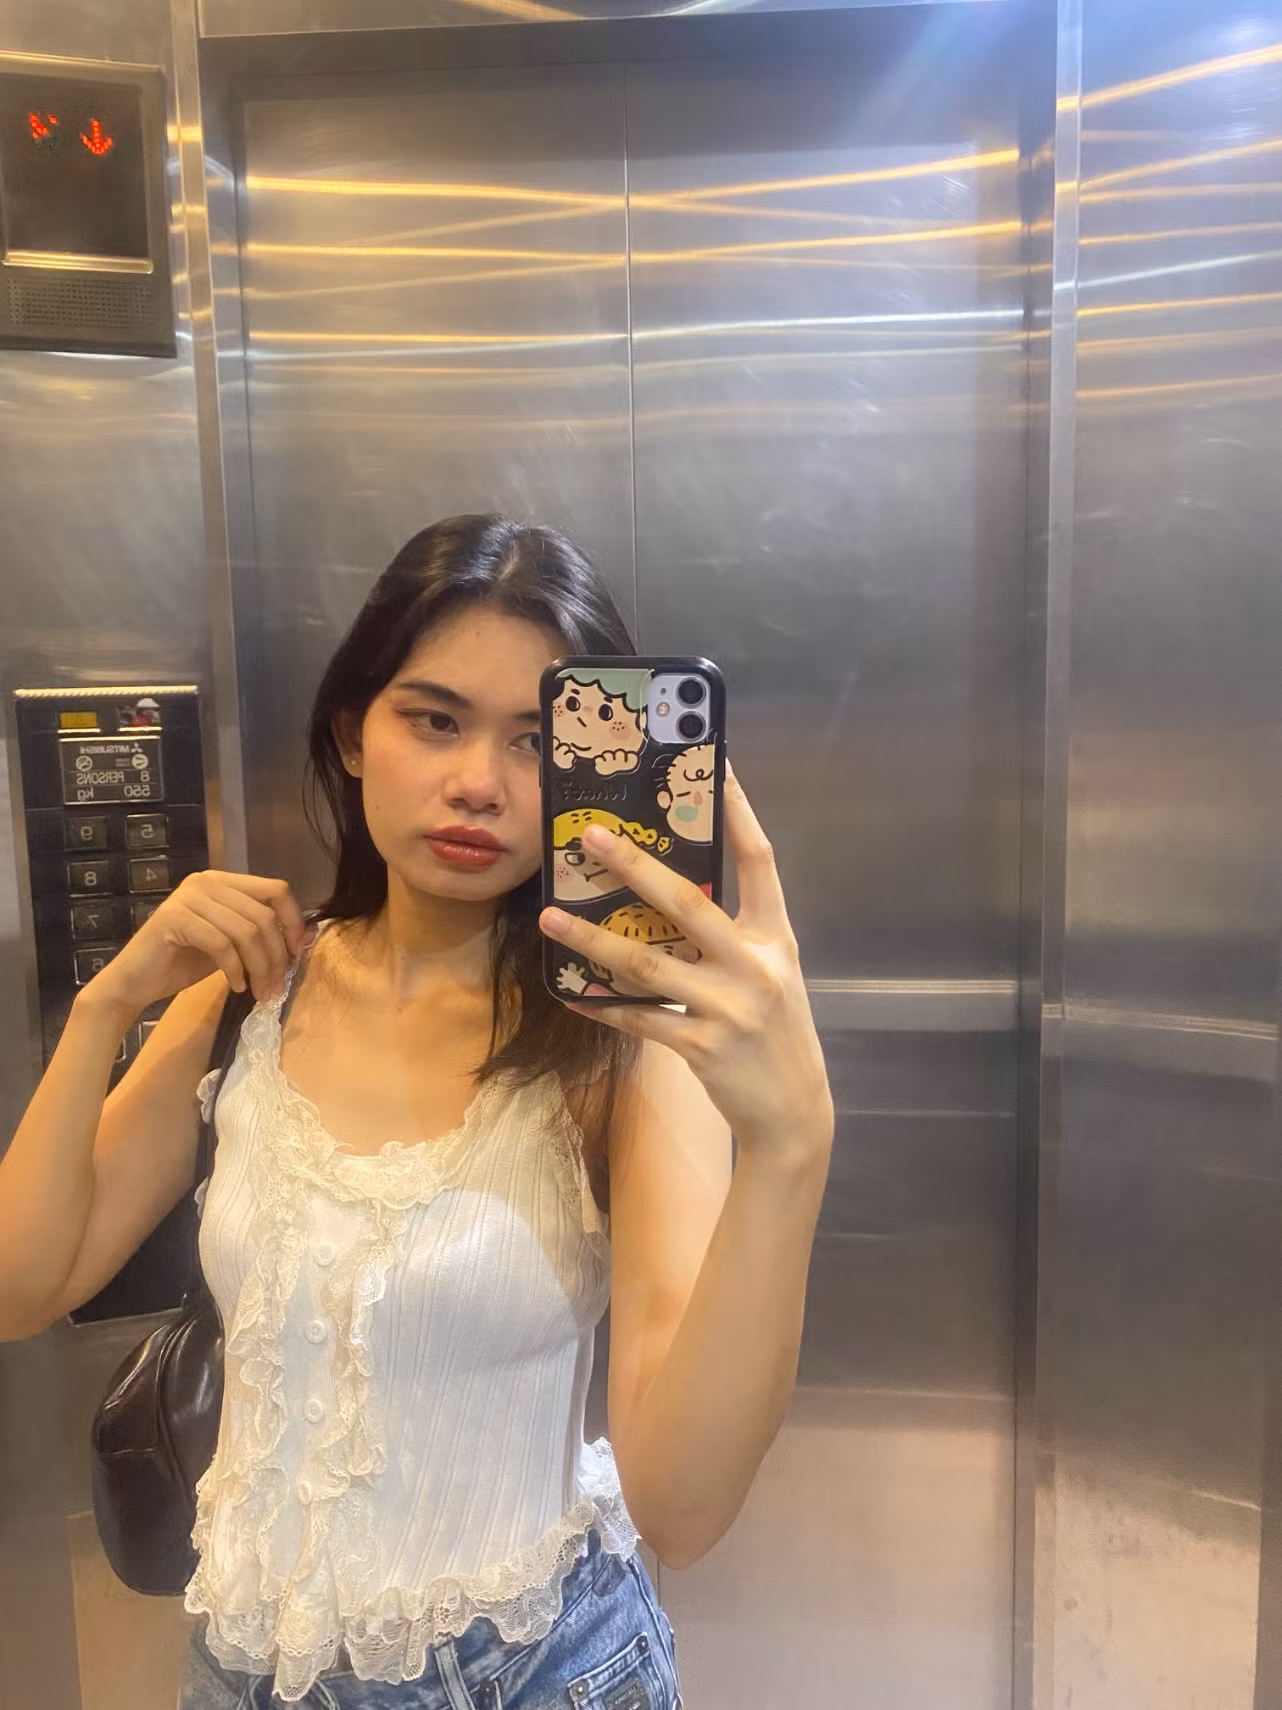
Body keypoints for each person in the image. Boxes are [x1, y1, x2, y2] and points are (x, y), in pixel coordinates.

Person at [0, 515, 834, 1709]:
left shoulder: (620, 1044)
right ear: (354, 731)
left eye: (537, 741)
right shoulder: (250, 995)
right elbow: (20, 1287)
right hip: (240, 1675)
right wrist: (107, 1004)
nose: (477, 783)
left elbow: (682, 1511)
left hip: (531, 1675)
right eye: (434, 719)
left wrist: (793, 1147)